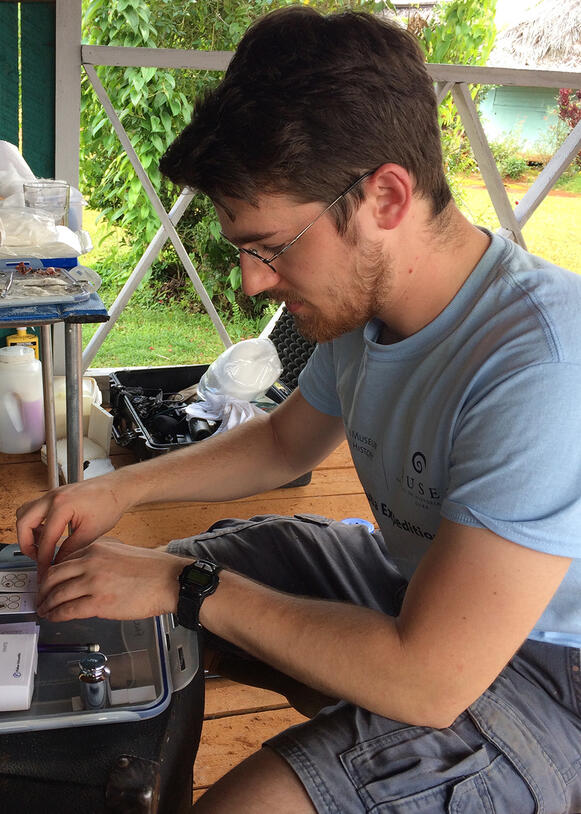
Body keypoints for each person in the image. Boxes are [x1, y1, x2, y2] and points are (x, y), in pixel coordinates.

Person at [16, 6, 581, 813]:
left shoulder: (541, 363)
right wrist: (118, 492)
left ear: (386, 196)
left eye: (269, 246)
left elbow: (429, 680)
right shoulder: (369, 301)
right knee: (113, 602)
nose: (250, 282)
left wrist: (185, 583)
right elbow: (286, 443)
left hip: (543, 673)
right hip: (412, 581)